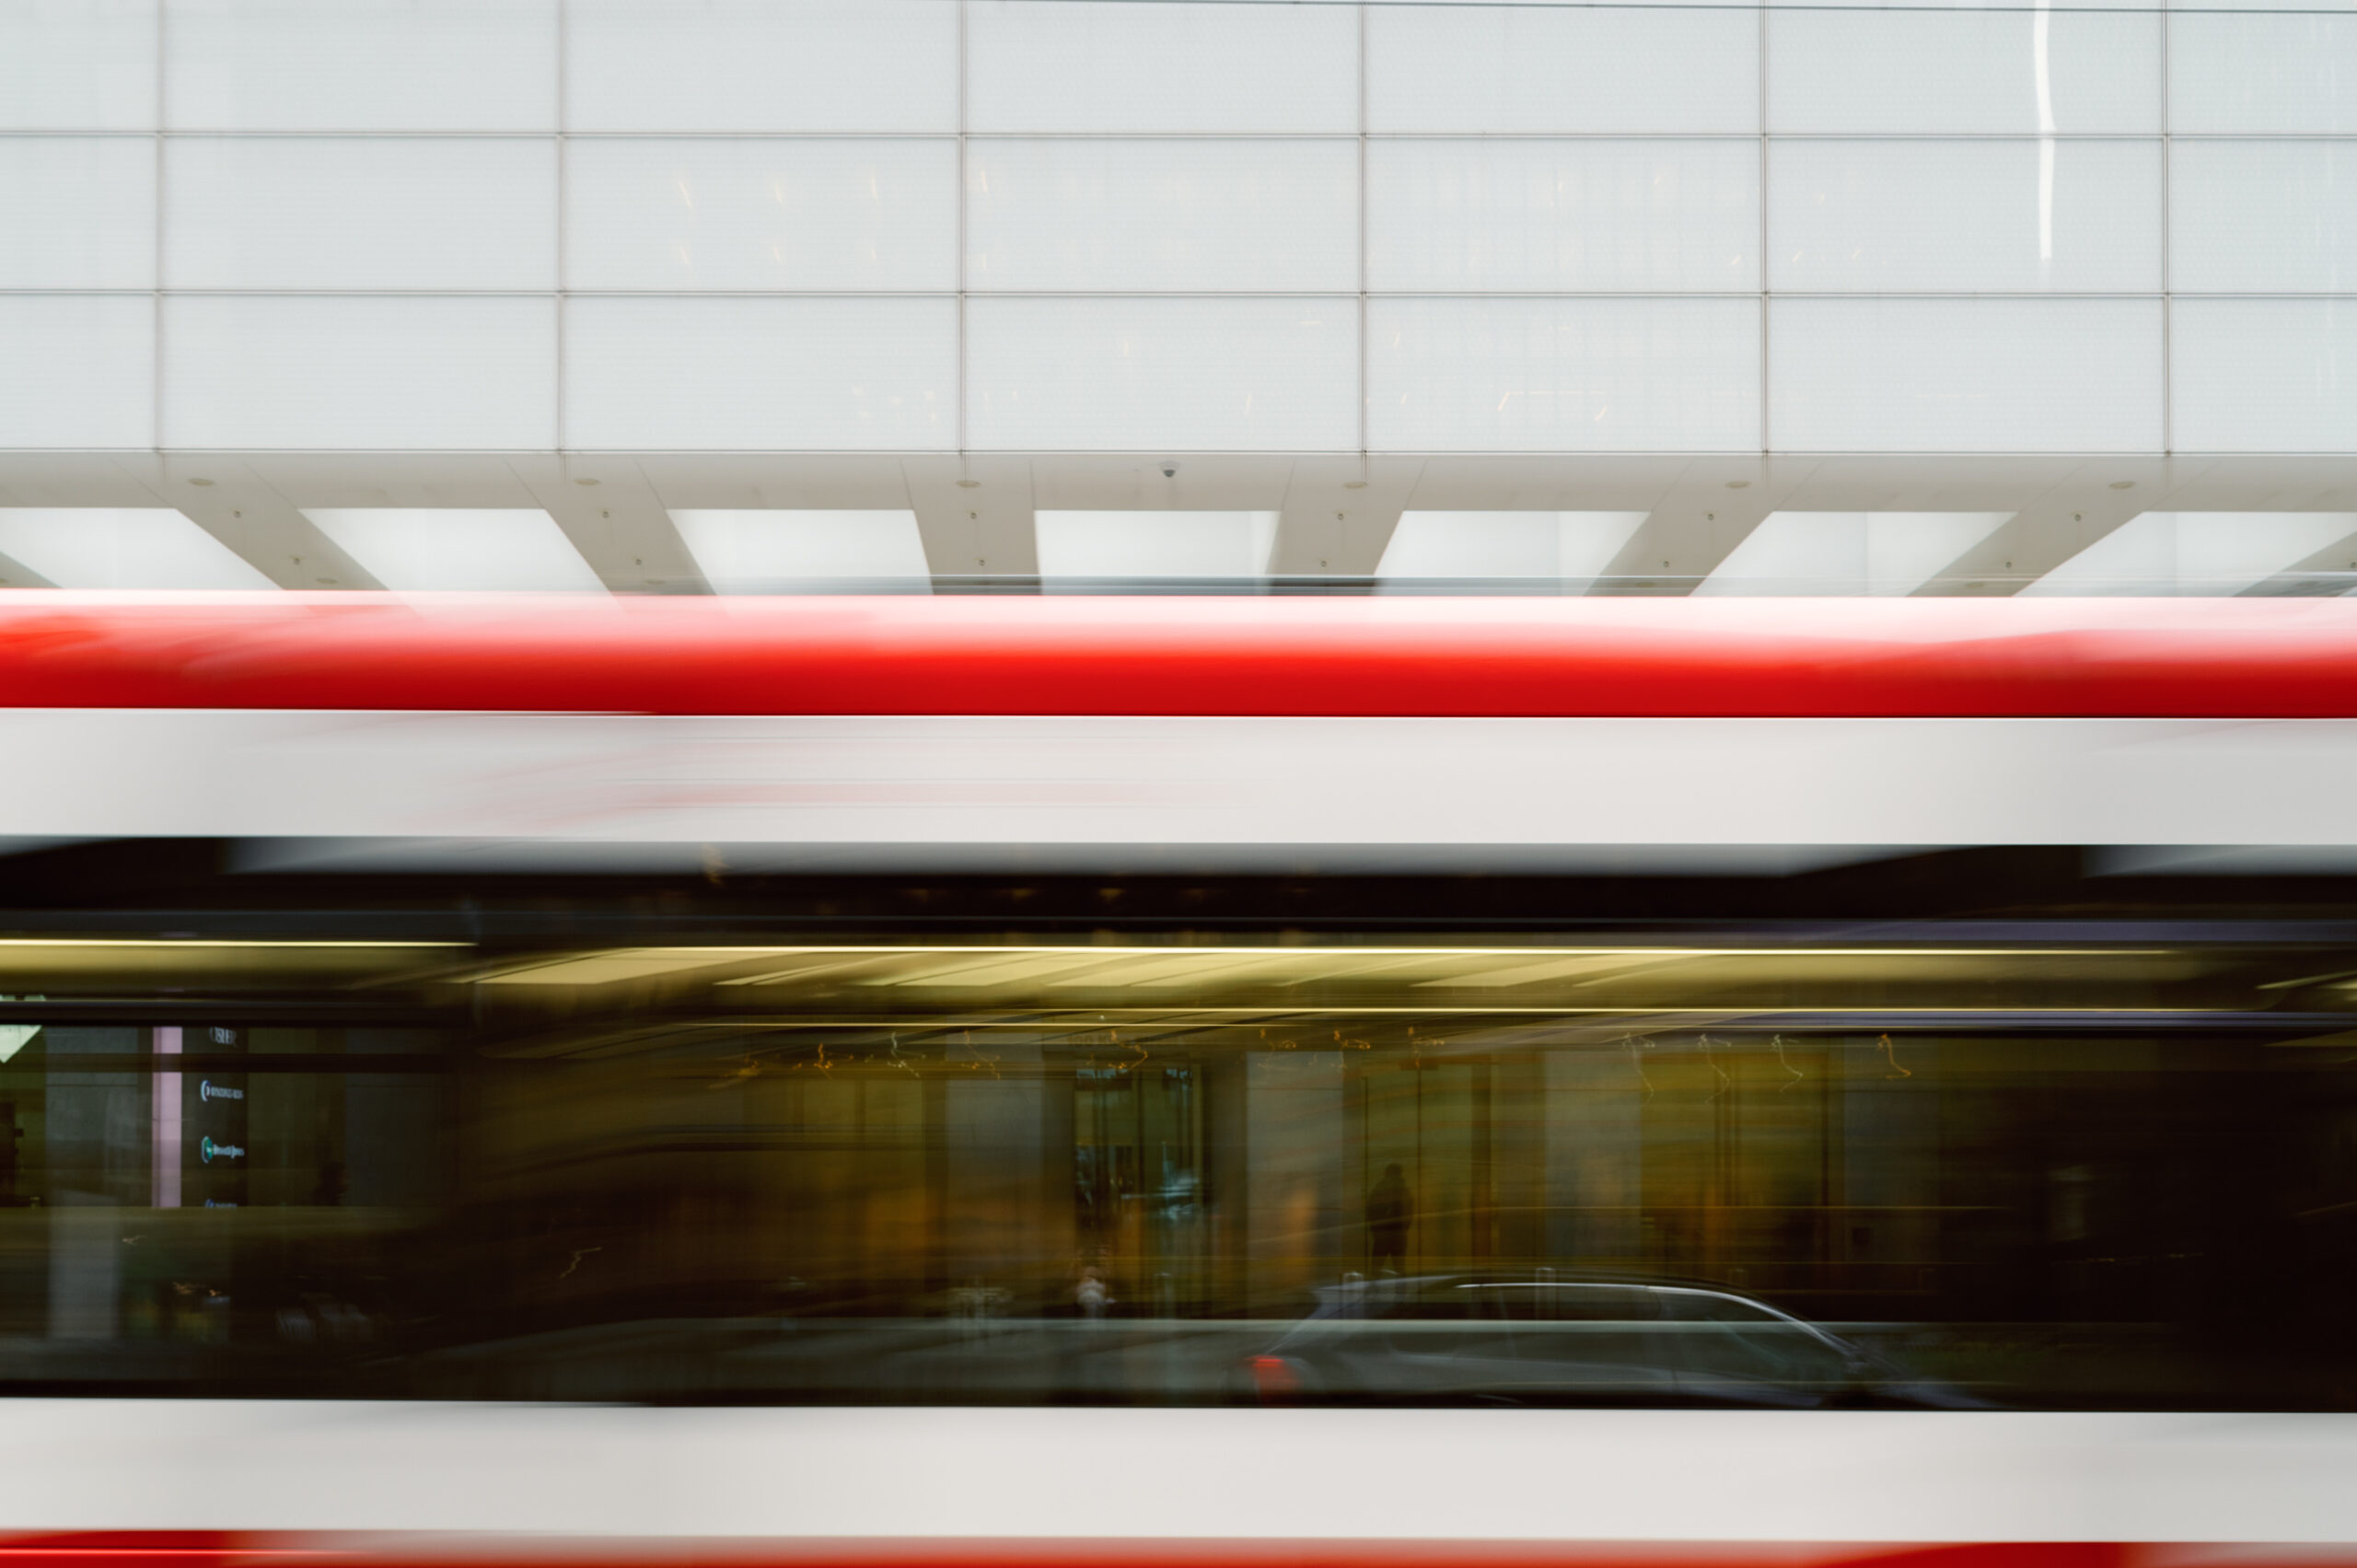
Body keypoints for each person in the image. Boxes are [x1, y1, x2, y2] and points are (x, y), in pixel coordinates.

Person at [1366, 1162, 1412, 1273]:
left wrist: (1376, 1229)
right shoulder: (1404, 1191)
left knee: (1378, 1267)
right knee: (1399, 1267)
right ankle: (1399, 1289)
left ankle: (1374, 1289)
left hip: (1384, 1235)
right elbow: (1408, 1215)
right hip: (1396, 1235)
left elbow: (1371, 1212)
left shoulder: (1379, 1190)